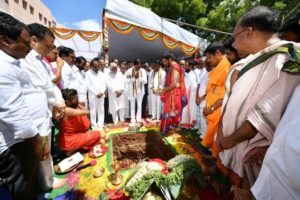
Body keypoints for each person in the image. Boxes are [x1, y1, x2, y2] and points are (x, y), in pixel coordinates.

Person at [215, 6, 300, 198]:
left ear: (249, 32)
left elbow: (266, 113)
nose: (233, 43)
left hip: (257, 155)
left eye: (235, 36)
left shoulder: (287, 57)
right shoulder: (253, 60)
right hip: (235, 147)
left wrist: (229, 139)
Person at [0, 12, 46, 199]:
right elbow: (14, 114)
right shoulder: (3, 67)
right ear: (5, 41)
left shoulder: (13, 62)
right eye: (26, 43)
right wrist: (37, 144)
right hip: (14, 145)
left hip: (21, 140)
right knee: (23, 190)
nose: (30, 48)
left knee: (29, 185)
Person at [22, 23, 66, 190]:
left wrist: (57, 105)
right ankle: (45, 183)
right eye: (48, 45)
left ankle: (47, 181)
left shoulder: (42, 61)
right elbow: (44, 85)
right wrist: (58, 103)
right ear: (33, 40)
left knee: (45, 148)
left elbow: (51, 84)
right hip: (33, 115)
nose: (50, 49)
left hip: (44, 111)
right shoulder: (27, 58)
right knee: (40, 150)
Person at [201, 42, 231, 152]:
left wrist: (212, 108)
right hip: (212, 110)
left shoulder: (227, 68)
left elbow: (226, 95)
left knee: (217, 146)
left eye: (209, 57)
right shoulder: (219, 68)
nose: (208, 61)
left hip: (218, 110)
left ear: (218, 53)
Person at [59, 89, 108, 154]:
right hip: (71, 140)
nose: (76, 99)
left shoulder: (74, 107)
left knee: (102, 140)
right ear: (67, 101)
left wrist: (76, 103)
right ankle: (72, 149)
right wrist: (78, 104)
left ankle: (77, 149)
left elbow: (86, 110)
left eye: (77, 97)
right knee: (102, 134)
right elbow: (86, 112)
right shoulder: (66, 110)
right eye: (74, 98)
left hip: (78, 136)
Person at [160, 53, 187, 134]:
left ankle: (170, 130)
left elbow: (174, 83)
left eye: (165, 61)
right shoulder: (173, 67)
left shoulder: (175, 67)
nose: (164, 63)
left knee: (171, 111)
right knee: (170, 111)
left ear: (170, 59)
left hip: (173, 93)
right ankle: (169, 129)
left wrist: (164, 90)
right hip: (171, 92)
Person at [85, 58, 107, 129]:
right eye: (95, 66)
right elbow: (88, 85)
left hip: (101, 95)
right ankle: (94, 125)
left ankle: (100, 124)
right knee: (93, 110)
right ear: (91, 66)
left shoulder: (102, 73)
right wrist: (96, 93)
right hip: (92, 95)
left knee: (101, 109)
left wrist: (102, 92)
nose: (97, 67)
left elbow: (104, 84)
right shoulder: (88, 73)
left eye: (98, 66)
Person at [180, 60, 198, 127]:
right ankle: (185, 121)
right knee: (185, 108)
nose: (185, 67)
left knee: (188, 108)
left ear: (191, 66)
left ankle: (188, 122)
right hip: (187, 93)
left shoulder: (192, 74)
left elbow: (192, 86)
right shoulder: (189, 73)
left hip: (189, 95)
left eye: (186, 66)